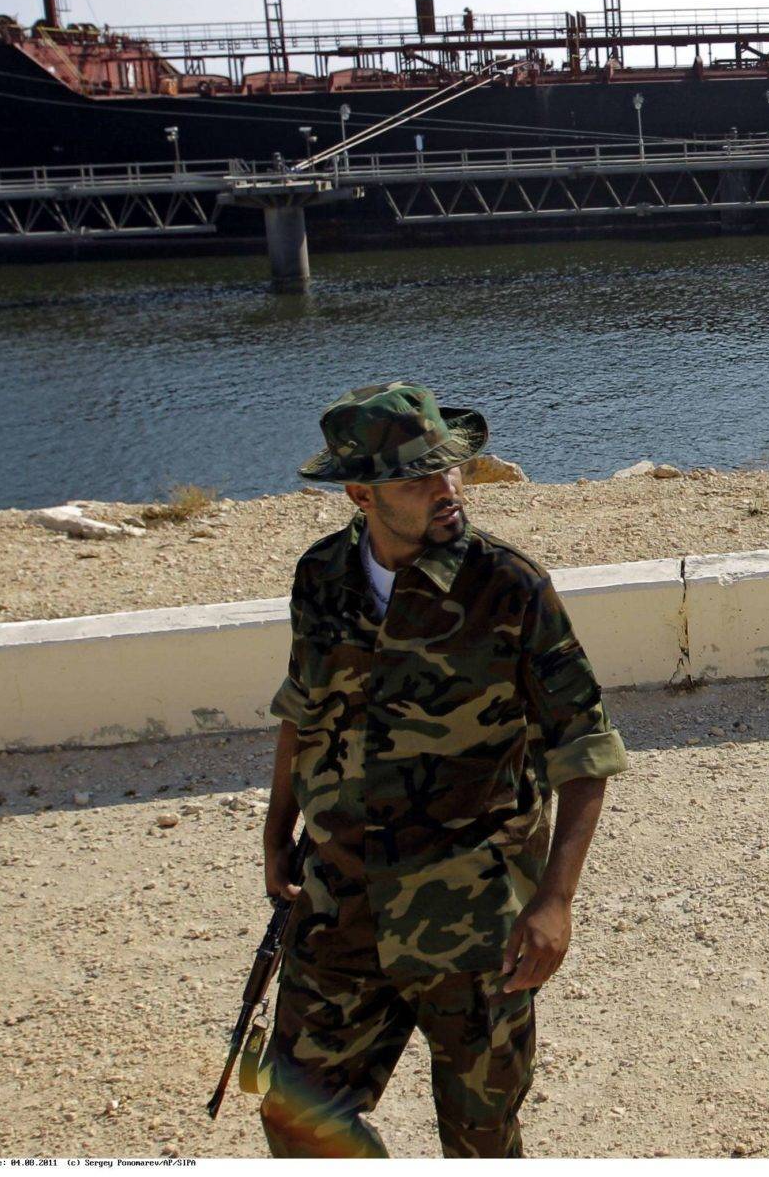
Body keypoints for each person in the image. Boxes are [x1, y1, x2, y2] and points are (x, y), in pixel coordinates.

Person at [259, 383, 628, 1158]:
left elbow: (584, 749)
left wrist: (554, 902)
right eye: (418, 478)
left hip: (470, 917)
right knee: (295, 1116)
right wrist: (276, 832)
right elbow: (301, 707)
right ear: (361, 494)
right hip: (342, 899)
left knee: (482, 1138)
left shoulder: (508, 586)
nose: (446, 489)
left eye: (449, 469)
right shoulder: (321, 577)